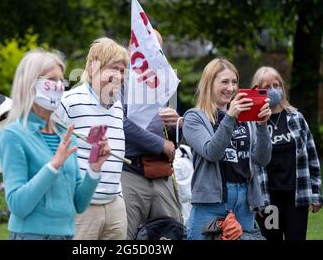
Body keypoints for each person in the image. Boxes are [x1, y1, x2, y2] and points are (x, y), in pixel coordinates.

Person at [0, 49, 110, 240]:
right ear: (30, 83)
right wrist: (53, 165)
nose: (59, 86)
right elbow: (17, 205)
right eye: (52, 79)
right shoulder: (13, 135)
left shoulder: (65, 135)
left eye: (61, 80)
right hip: (31, 235)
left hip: (66, 235)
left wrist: (94, 169)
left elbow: (78, 204)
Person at [182, 58, 272, 240]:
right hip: (211, 201)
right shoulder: (194, 117)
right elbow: (212, 153)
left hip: (244, 199)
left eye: (234, 82)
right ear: (209, 83)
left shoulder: (245, 118)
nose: (230, 88)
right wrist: (230, 117)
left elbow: (262, 160)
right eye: (224, 82)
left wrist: (262, 126)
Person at [55, 37, 129, 240]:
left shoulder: (117, 106)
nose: (119, 76)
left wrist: (118, 196)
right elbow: (50, 146)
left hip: (115, 205)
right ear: (93, 67)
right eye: (113, 68)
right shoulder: (70, 101)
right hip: (81, 207)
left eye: (122, 71)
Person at [121, 29, 183, 240]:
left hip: (161, 173)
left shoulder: (165, 83)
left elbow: (173, 141)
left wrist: (175, 125)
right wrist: (160, 144)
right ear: (132, 48)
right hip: (129, 172)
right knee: (125, 237)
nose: (152, 52)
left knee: (171, 233)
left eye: (157, 48)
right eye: (147, 45)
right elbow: (122, 124)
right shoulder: (119, 79)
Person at [252, 66, 322, 240]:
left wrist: (316, 193)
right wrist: (254, 200)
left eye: (277, 85)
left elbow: (312, 158)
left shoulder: (296, 117)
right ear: (258, 90)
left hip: (296, 198)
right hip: (269, 199)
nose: (273, 90)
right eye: (267, 87)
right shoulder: (252, 123)